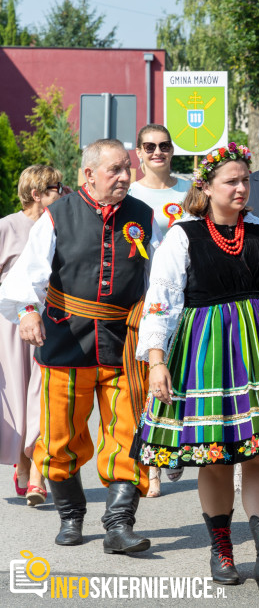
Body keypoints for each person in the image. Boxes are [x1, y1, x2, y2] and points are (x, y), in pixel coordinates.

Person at [132, 142, 259, 589]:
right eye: (230, 181)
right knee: (215, 458)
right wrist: (156, 361)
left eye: (244, 181)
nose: (240, 188)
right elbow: (161, 301)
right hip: (206, 350)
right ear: (207, 187)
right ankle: (221, 550)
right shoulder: (183, 234)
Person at [0, 139, 160, 553]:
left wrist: (159, 332)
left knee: (127, 435)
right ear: (88, 174)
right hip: (66, 337)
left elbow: (160, 280)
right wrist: (27, 313)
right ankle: (71, 516)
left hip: (125, 343)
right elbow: (25, 277)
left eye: (127, 168)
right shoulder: (58, 216)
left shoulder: (143, 216)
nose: (125, 176)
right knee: (60, 436)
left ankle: (119, 525)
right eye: (115, 169)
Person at [126, 123, 193, 497]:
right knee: (147, 381)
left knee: (179, 377)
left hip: (186, 296)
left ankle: (175, 449)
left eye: (164, 146)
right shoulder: (130, 192)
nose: (157, 153)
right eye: (149, 147)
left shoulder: (188, 190)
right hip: (143, 297)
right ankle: (150, 465)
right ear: (139, 152)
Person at [1, 165, 64, 507]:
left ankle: (36, 475)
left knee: (44, 397)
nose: (63, 193)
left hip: (52, 322)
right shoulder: (7, 227)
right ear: (37, 192)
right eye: (57, 188)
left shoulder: (60, 226)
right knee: (17, 399)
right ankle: (22, 463)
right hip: (11, 327)